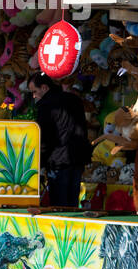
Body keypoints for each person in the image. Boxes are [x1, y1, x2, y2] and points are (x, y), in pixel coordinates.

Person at [30, 73, 92, 208]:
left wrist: (39, 162)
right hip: (78, 157)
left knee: (59, 204)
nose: (34, 96)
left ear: (44, 88)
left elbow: (45, 137)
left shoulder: (46, 105)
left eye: (35, 91)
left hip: (58, 160)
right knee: (72, 201)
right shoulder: (74, 100)